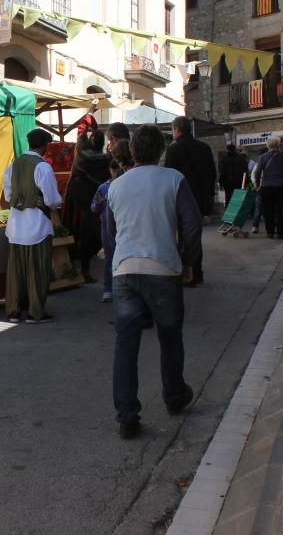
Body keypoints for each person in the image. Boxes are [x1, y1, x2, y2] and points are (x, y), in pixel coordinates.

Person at [106, 125, 201, 439]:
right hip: (163, 268)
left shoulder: (116, 186)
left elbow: (108, 233)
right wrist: (189, 261)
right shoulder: (174, 180)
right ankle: (174, 396)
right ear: (161, 150)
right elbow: (191, 224)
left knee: (126, 344)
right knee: (170, 337)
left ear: (132, 152)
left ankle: (127, 416)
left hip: (124, 270)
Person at [3, 128, 62, 324]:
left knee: (17, 271)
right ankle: (35, 312)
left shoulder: (13, 165)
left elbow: (8, 196)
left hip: (16, 224)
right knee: (37, 270)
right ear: (44, 146)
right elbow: (52, 199)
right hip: (37, 224)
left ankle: (15, 311)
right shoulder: (42, 167)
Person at [164, 116, 216, 284]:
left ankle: (185, 273)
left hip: (180, 199)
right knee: (194, 237)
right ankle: (196, 272)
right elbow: (212, 175)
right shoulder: (204, 148)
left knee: (181, 238)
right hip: (200, 199)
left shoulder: (174, 149)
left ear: (176, 130)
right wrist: (208, 197)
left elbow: (169, 176)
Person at [64, 130, 111, 283]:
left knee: (75, 234)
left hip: (77, 203)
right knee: (91, 237)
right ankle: (83, 271)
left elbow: (80, 140)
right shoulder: (105, 160)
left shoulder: (81, 157)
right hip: (94, 204)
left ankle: (72, 269)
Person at [91, 138, 134, 303]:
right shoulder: (106, 187)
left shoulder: (108, 187)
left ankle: (115, 289)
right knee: (116, 258)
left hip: (113, 226)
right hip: (115, 226)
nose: (115, 172)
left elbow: (94, 207)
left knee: (116, 258)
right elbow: (94, 207)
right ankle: (113, 288)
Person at [254, 136, 283, 239]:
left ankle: (270, 232)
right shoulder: (282, 157)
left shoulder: (263, 157)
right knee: (280, 210)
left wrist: (257, 185)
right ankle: (280, 233)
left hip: (267, 186)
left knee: (268, 210)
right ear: (278, 145)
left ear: (268, 145)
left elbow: (257, 172)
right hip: (281, 187)